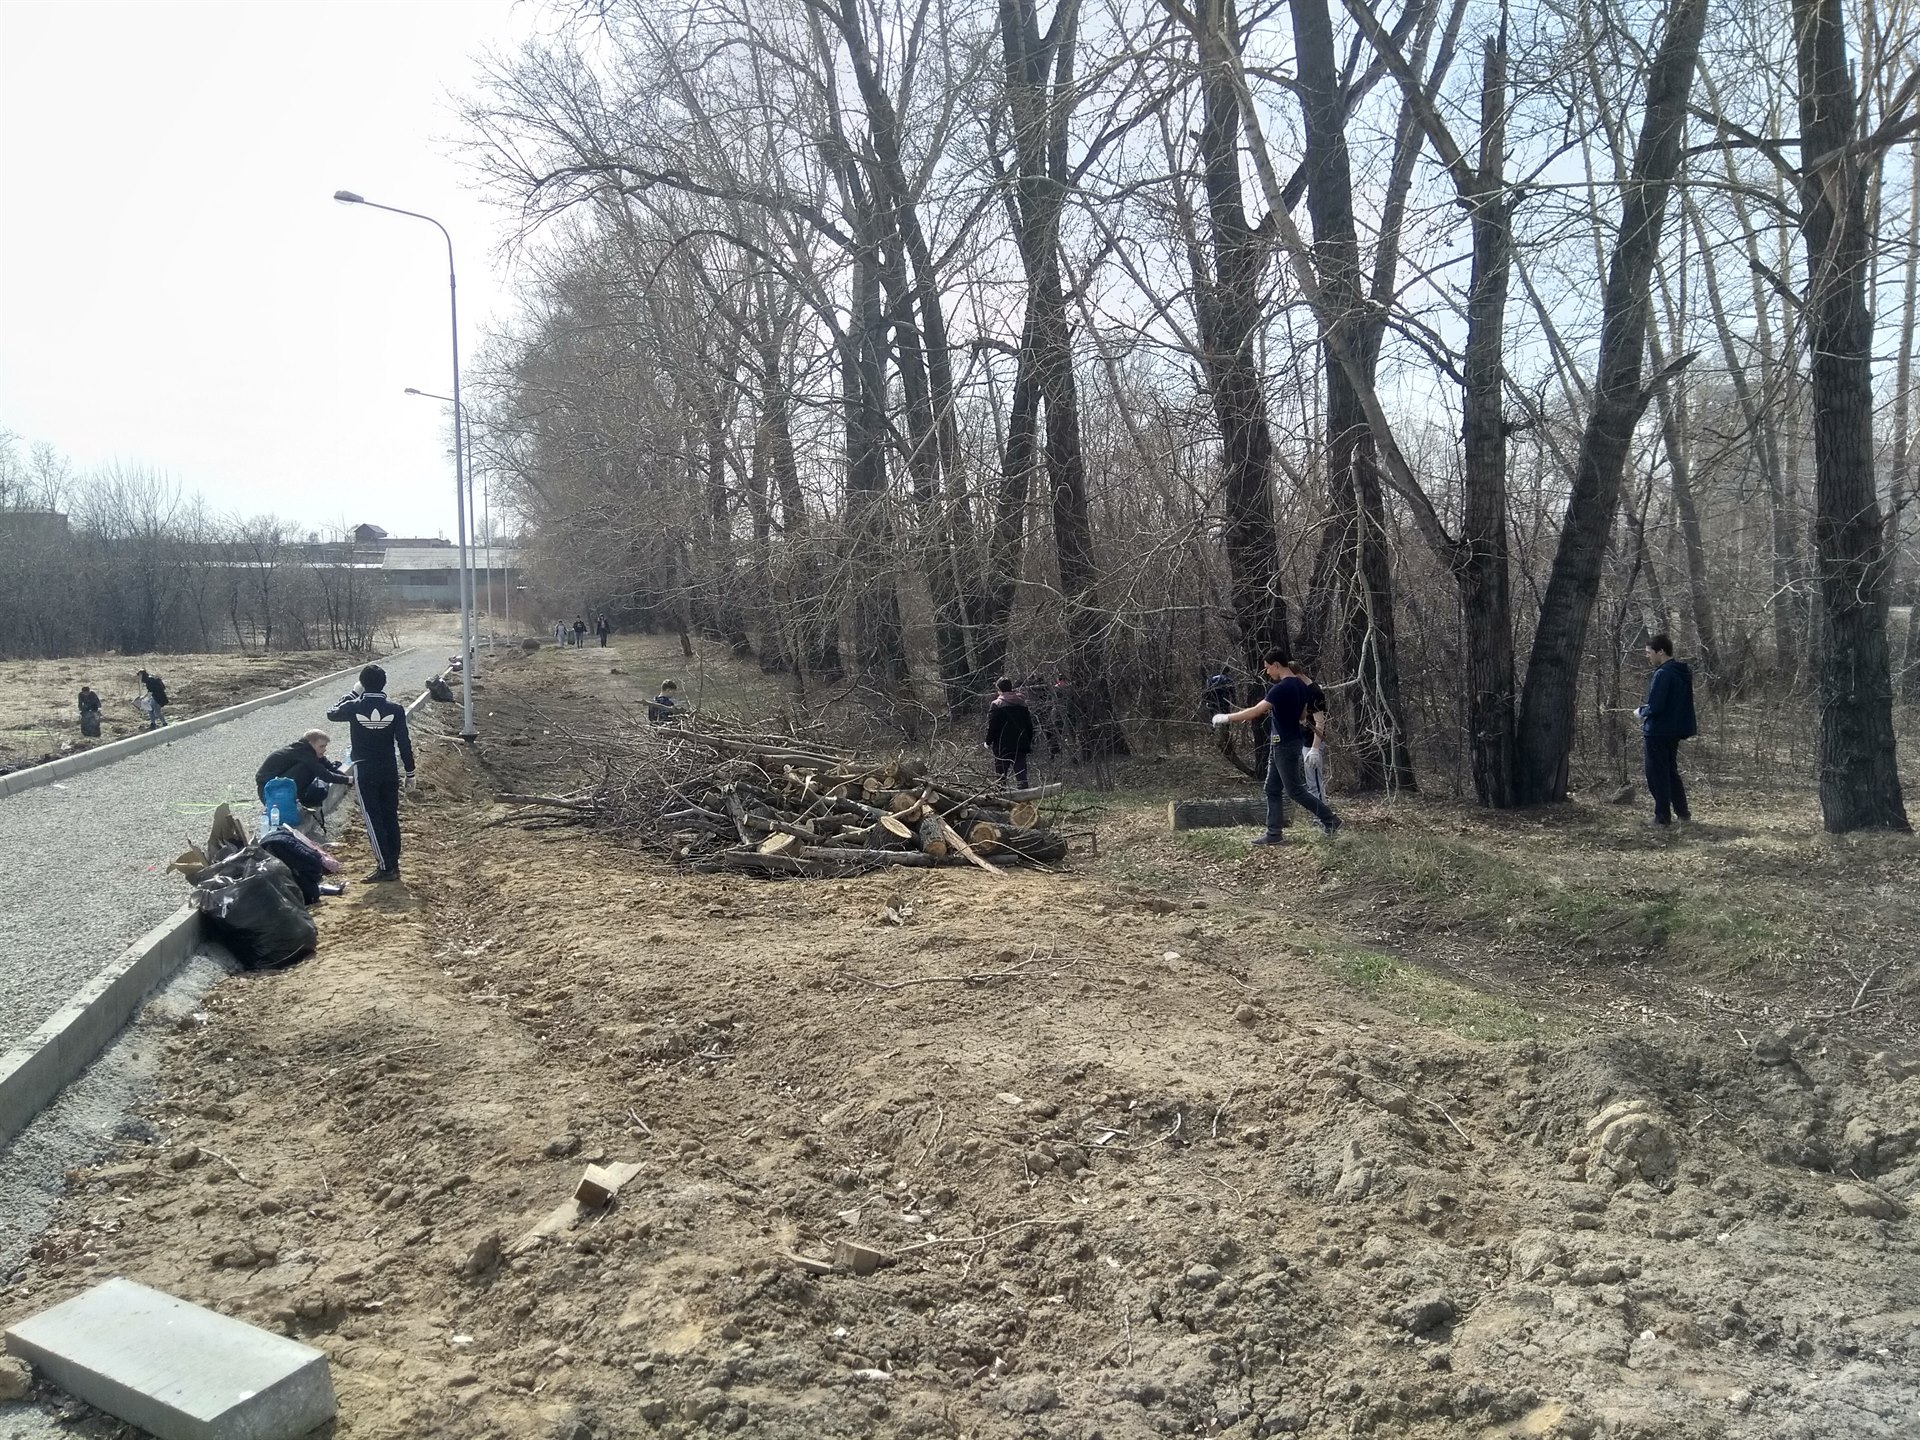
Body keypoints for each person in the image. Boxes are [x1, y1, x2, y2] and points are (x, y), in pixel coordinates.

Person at [1212, 648, 1341, 844]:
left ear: (1277, 665)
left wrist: (1226, 717)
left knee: (1295, 791)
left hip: (1284, 744)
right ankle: (1274, 834)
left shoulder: (1280, 688)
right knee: (1271, 788)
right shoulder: (1301, 685)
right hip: (1285, 742)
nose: (1267, 672)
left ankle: (1330, 819)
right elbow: (1301, 715)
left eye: (1267, 667)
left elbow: (1255, 711)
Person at [326, 664, 415, 883]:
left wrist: (353, 693)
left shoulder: (354, 706)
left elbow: (331, 713)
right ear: (384, 683)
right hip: (389, 768)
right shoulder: (395, 709)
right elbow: (404, 742)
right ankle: (393, 863)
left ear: (363, 684)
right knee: (390, 816)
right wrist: (410, 771)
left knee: (373, 819)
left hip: (365, 769)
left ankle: (385, 867)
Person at [1635, 633, 1696, 828]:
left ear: (1660, 651)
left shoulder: (1663, 673)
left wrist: (1641, 711)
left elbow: (1657, 705)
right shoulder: (1681, 672)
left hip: (1657, 731)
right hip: (1674, 730)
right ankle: (1682, 813)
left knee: (1656, 774)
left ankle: (1661, 818)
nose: (1648, 656)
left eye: (1649, 652)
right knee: (1670, 772)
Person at [255, 728, 354, 835]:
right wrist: (348, 780)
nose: (325, 749)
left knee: (314, 766)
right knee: (307, 768)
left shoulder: (307, 751)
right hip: (269, 792)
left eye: (325, 746)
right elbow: (325, 775)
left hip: (277, 788)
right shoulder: (302, 753)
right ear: (310, 743)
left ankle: (298, 800)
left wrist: (349, 779)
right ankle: (297, 800)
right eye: (321, 746)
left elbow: (330, 767)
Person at [985, 676, 1036, 789]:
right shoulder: (1022, 703)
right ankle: (1025, 797)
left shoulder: (996, 705)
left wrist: (988, 742)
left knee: (1000, 778)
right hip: (1020, 744)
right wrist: (1028, 741)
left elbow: (992, 727)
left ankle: (1001, 797)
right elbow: (1029, 726)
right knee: (1021, 776)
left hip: (1002, 746)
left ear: (999, 689)